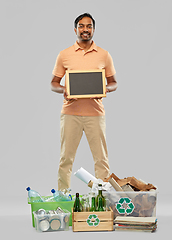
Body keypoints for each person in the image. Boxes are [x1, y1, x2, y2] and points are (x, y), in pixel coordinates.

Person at [51, 13, 118, 190]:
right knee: (66, 158)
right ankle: (63, 197)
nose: (85, 29)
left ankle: (102, 199)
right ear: (75, 30)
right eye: (81, 26)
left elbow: (113, 83)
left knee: (101, 159)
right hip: (70, 114)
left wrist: (104, 88)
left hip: (95, 114)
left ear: (93, 30)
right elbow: (53, 84)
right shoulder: (64, 55)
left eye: (89, 26)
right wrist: (65, 90)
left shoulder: (104, 55)